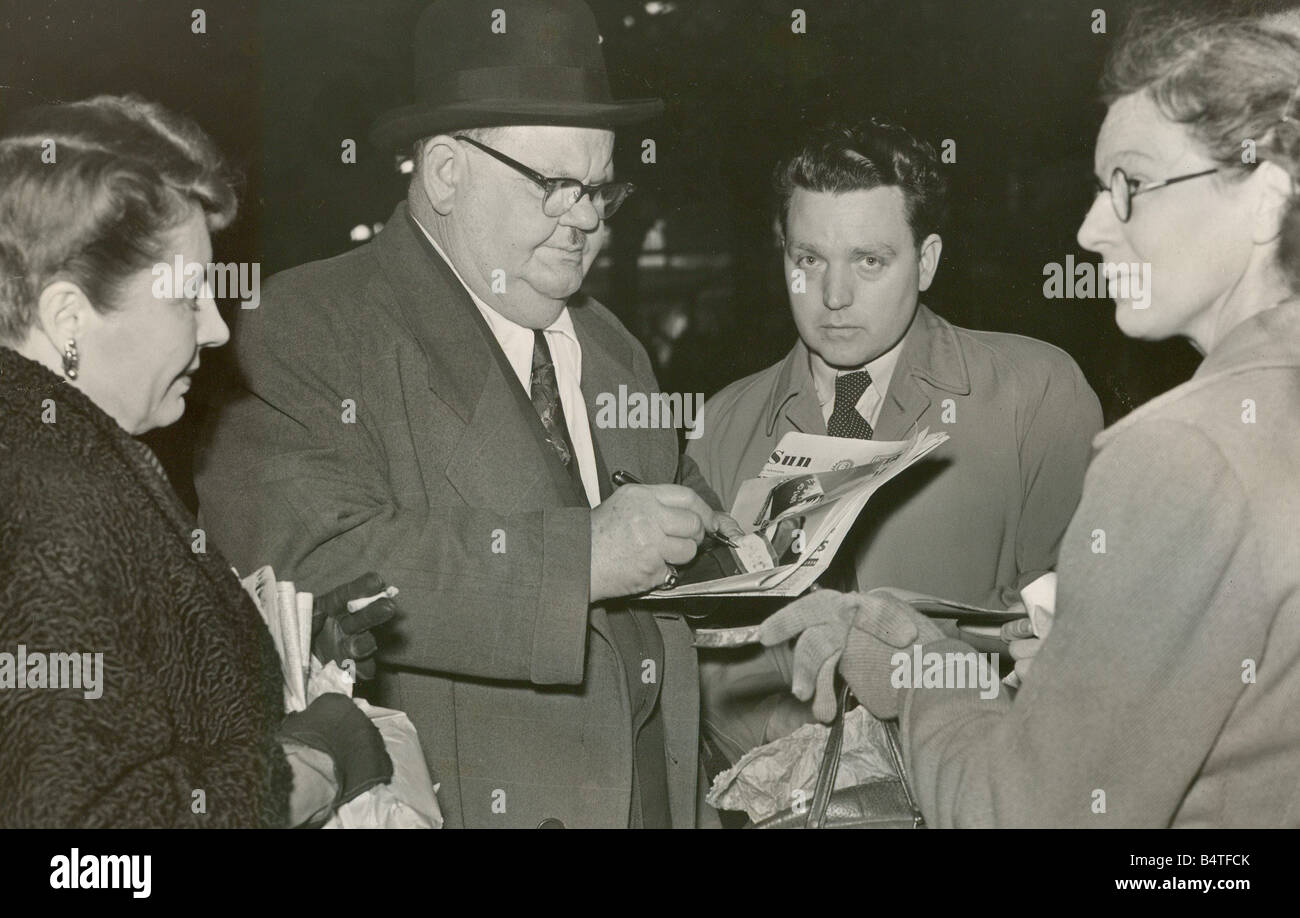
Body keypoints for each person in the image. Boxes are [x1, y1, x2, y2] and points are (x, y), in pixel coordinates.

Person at [195, 0, 738, 828]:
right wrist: (584, 557)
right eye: (556, 185)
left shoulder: (614, 345)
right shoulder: (302, 329)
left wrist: (757, 554)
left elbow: (676, 526)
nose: (588, 219)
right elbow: (316, 563)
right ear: (445, 172)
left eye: (601, 188)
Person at [771, 8, 1300, 827]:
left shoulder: (1182, 453)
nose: (1091, 231)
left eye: (1130, 183)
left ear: (1265, 201)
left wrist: (919, 670)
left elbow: (1024, 816)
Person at [0, 94, 394, 828]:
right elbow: (87, 861)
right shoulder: (57, 508)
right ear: (67, 318)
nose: (216, 329)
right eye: (188, 298)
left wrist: (280, 656)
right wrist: (313, 767)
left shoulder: (54, 458)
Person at [686, 118, 1103, 773]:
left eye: (870, 261)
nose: (834, 296)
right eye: (809, 260)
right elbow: (706, 666)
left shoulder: (1033, 395)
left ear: (928, 260)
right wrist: (787, 748)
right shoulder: (722, 428)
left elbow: (1088, 648)